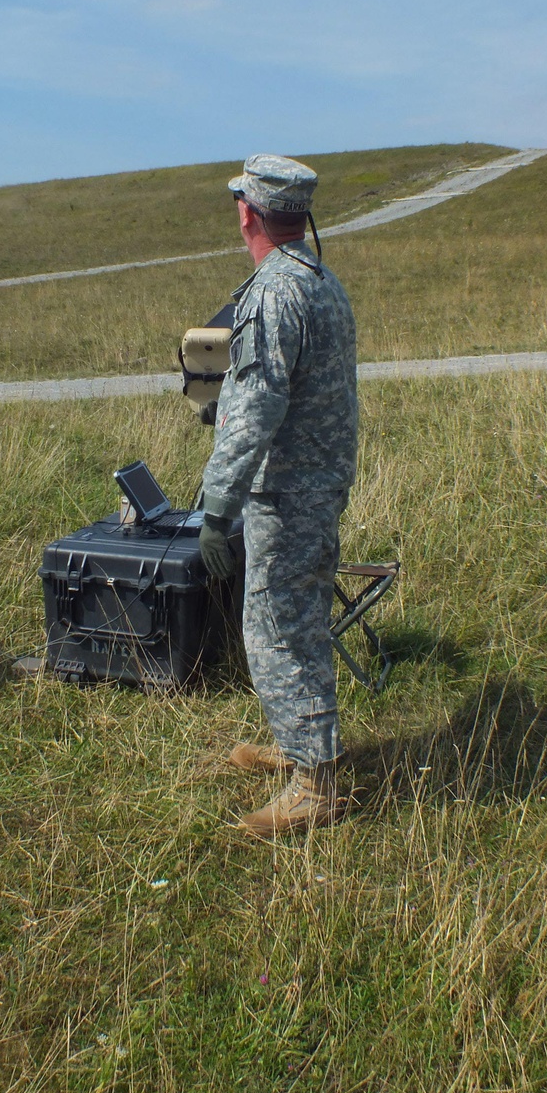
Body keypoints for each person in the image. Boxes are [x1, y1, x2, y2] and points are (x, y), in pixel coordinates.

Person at [198, 154, 358, 839]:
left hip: (289, 493)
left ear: (247, 213)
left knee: (276, 631)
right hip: (318, 483)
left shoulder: (272, 294)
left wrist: (214, 509)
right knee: (297, 620)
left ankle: (314, 787)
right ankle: (300, 745)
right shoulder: (323, 284)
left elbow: (256, 410)